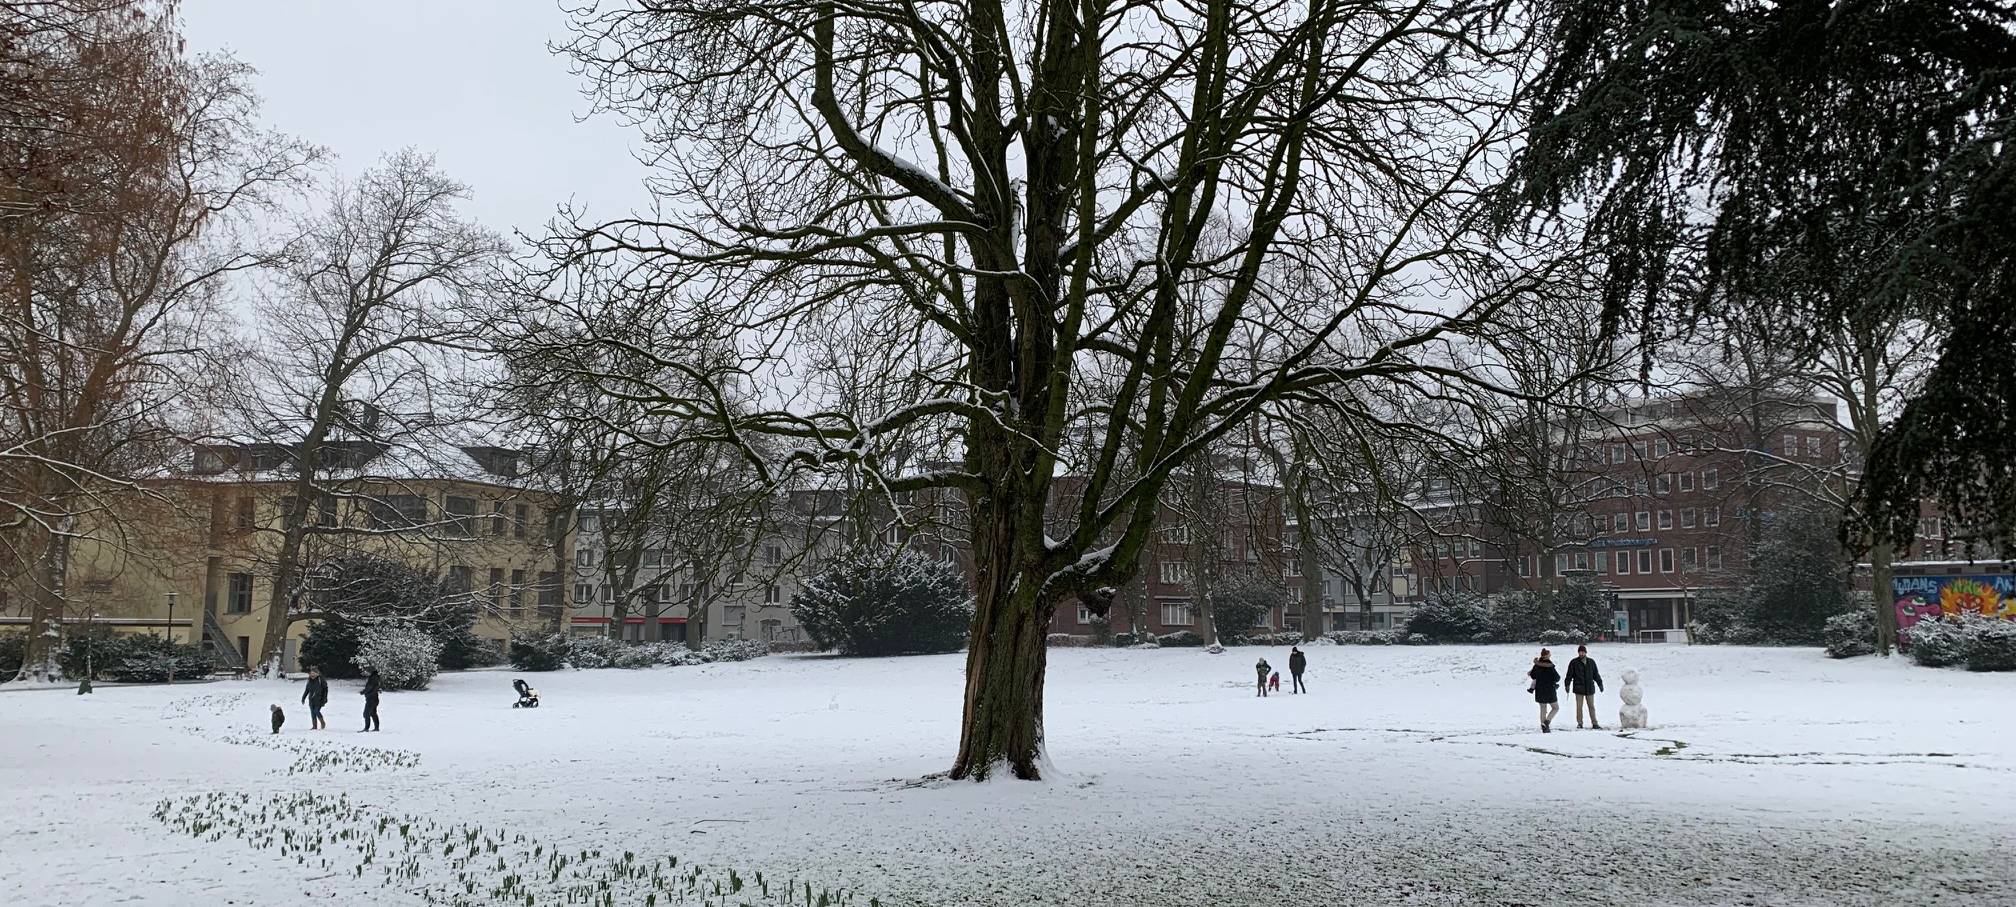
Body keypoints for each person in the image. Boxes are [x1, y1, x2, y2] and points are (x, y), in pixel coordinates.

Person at [1564, 645, 1605, 729]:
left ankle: (1594, 723)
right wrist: (1567, 685)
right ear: (1578, 653)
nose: (1581, 653)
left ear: (1586, 652)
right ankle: (1580, 723)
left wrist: (1600, 684)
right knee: (1579, 707)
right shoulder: (1574, 662)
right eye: (1580, 652)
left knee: (1591, 706)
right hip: (1579, 688)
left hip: (1589, 688)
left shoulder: (1591, 662)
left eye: (1583, 652)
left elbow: (1596, 675)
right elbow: (1569, 675)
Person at [1528, 648, 1561, 733]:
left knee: (1543, 708)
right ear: (1547, 656)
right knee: (1555, 708)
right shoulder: (1550, 666)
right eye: (1549, 655)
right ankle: (1547, 722)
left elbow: (1532, 675)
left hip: (1539, 690)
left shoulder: (1537, 665)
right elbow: (1557, 678)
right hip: (1550, 690)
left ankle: (1543, 727)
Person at [360, 668, 381, 732]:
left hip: (371, 699)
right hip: (375, 699)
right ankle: (376, 728)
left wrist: (363, 692)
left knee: (366, 714)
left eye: (367, 671)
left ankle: (366, 728)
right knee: (373, 713)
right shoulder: (376, 677)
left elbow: (369, 688)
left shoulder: (372, 678)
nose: (366, 673)